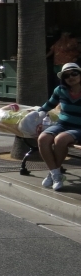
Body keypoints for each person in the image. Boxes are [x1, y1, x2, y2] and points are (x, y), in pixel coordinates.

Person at [37, 62, 81, 192]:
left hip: (79, 128)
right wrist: (38, 113)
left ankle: (53, 174)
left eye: (74, 73)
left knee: (60, 139)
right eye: (66, 75)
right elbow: (49, 104)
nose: (71, 77)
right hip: (62, 124)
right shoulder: (60, 90)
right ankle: (55, 174)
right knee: (43, 139)